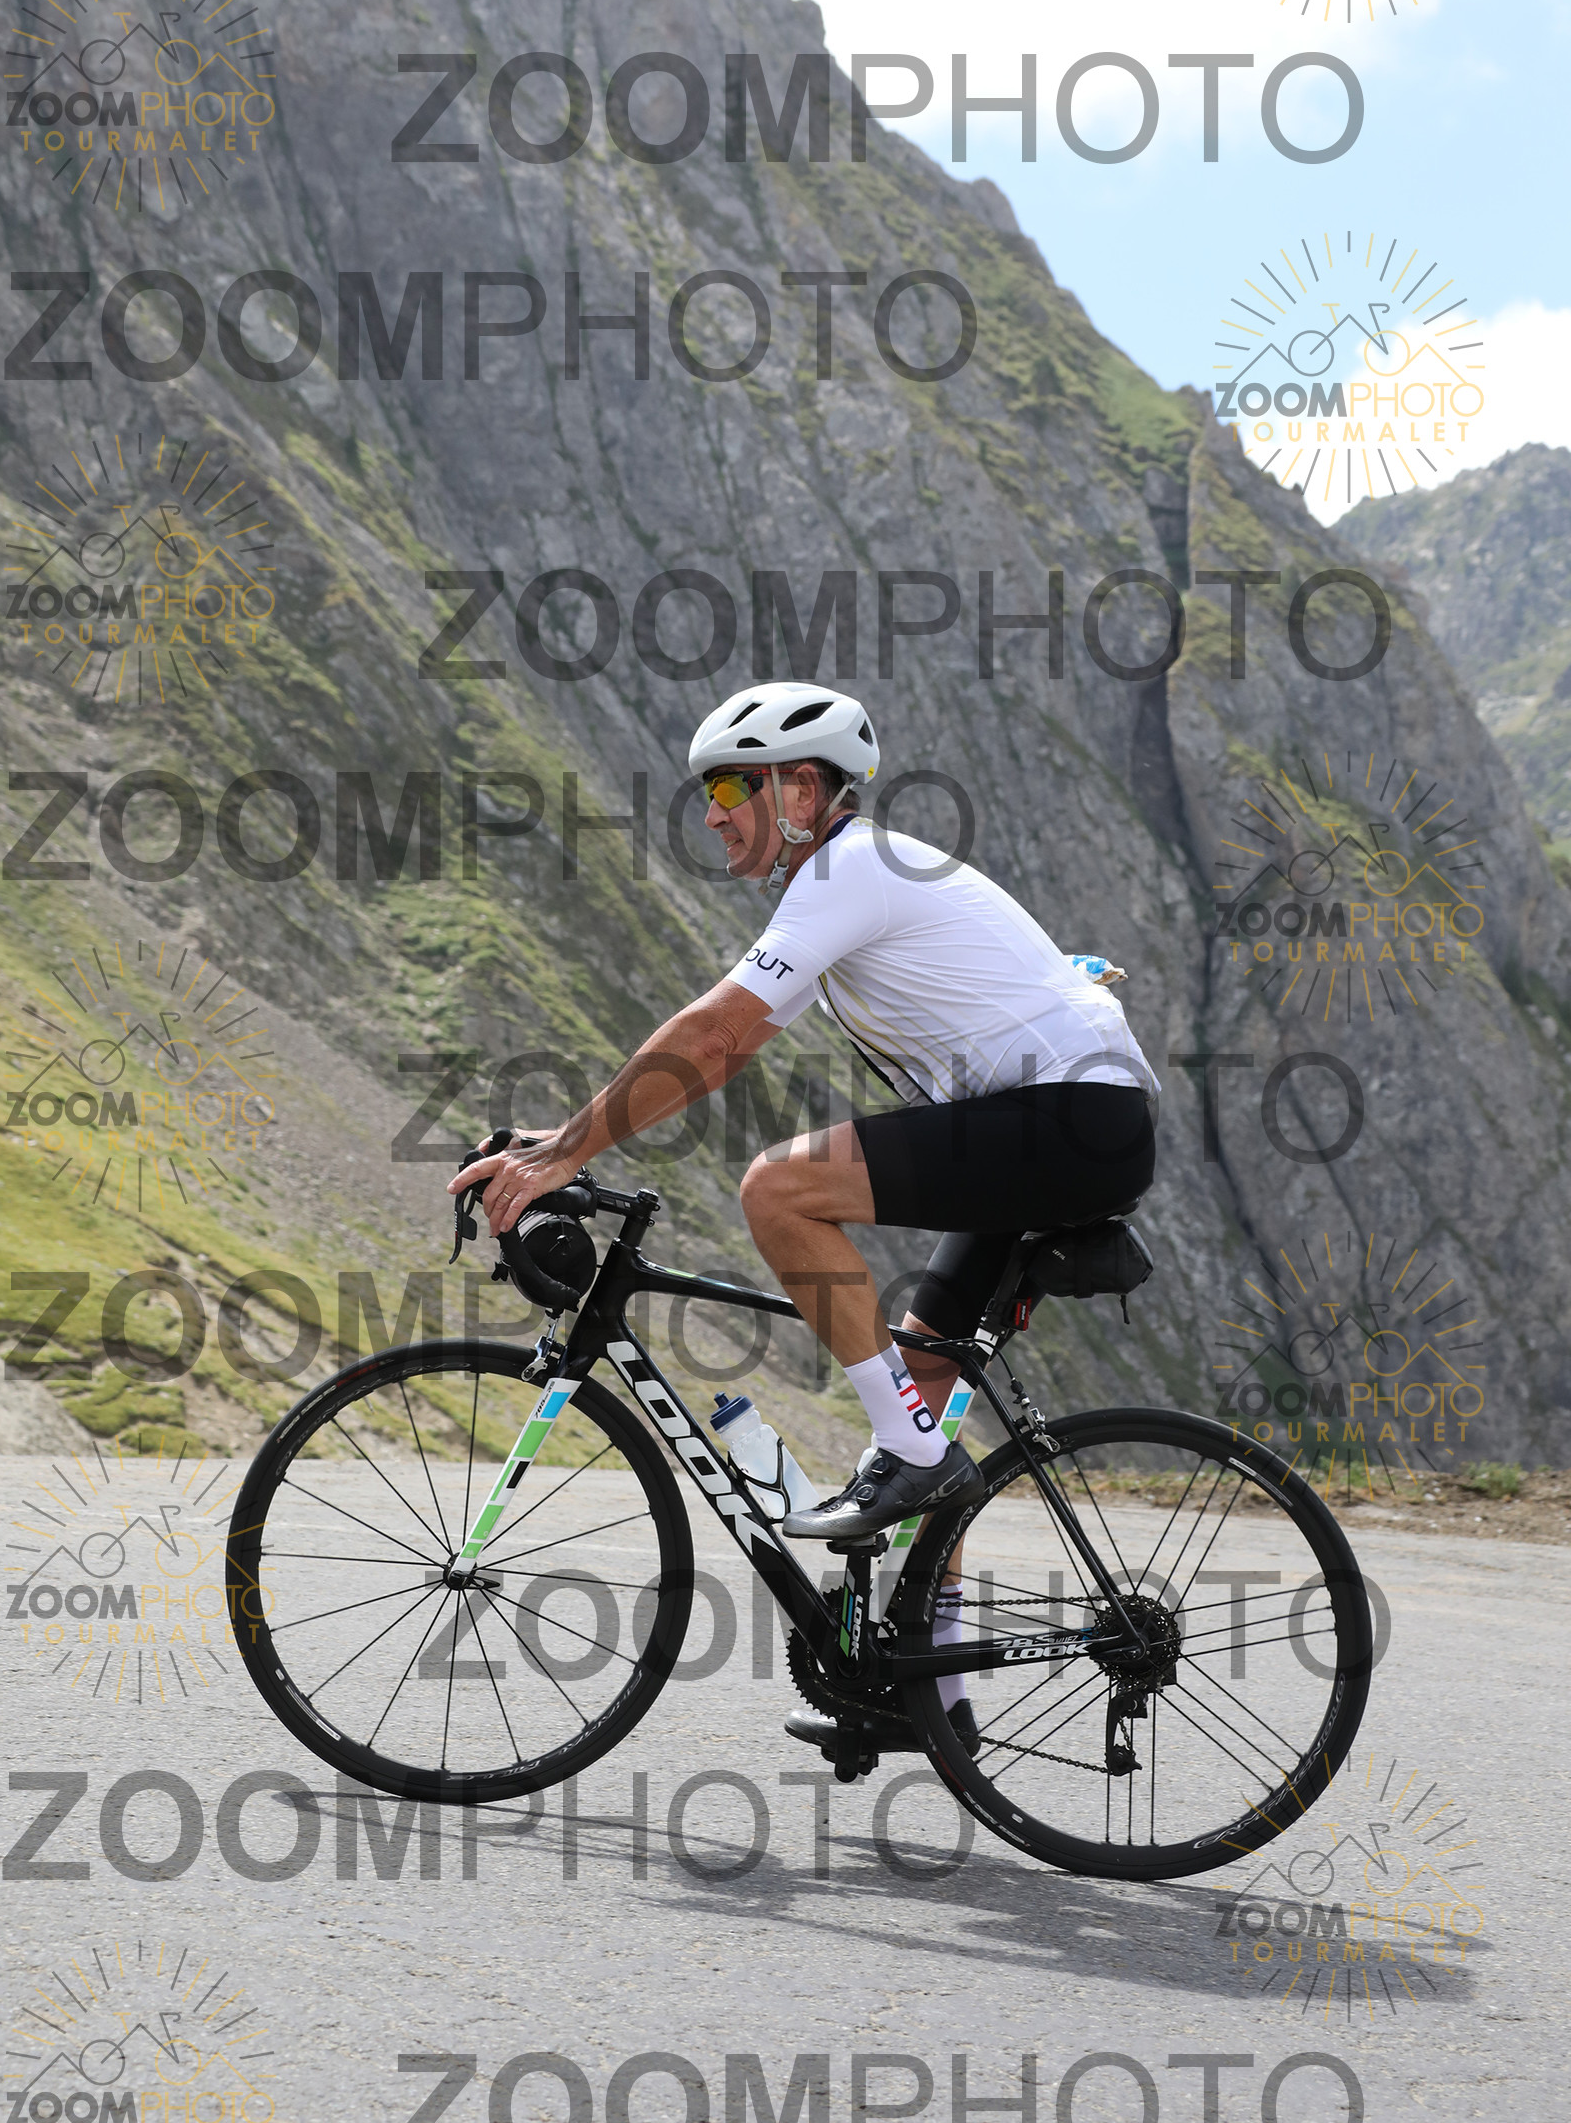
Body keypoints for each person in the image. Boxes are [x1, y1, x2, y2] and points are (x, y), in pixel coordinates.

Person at [448, 680, 1159, 1755]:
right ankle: (926, 1697)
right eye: (708, 793)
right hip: (1064, 1122)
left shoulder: (847, 868)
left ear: (799, 790)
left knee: (779, 1188)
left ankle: (910, 1455)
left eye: (732, 788)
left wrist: (566, 1153)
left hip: (1067, 1124)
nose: (712, 813)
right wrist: (577, 1135)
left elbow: (716, 1034)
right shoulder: (845, 882)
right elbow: (734, 1046)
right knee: (921, 1381)